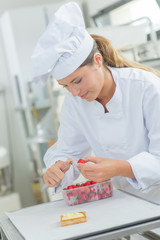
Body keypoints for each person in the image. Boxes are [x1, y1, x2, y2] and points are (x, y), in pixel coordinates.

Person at [31, 2, 160, 204]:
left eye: (78, 80)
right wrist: (57, 168)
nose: (74, 92)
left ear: (98, 61)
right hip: (125, 204)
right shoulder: (75, 102)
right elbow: (68, 150)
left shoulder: (146, 87)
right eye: (65, 86)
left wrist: (118, 168)